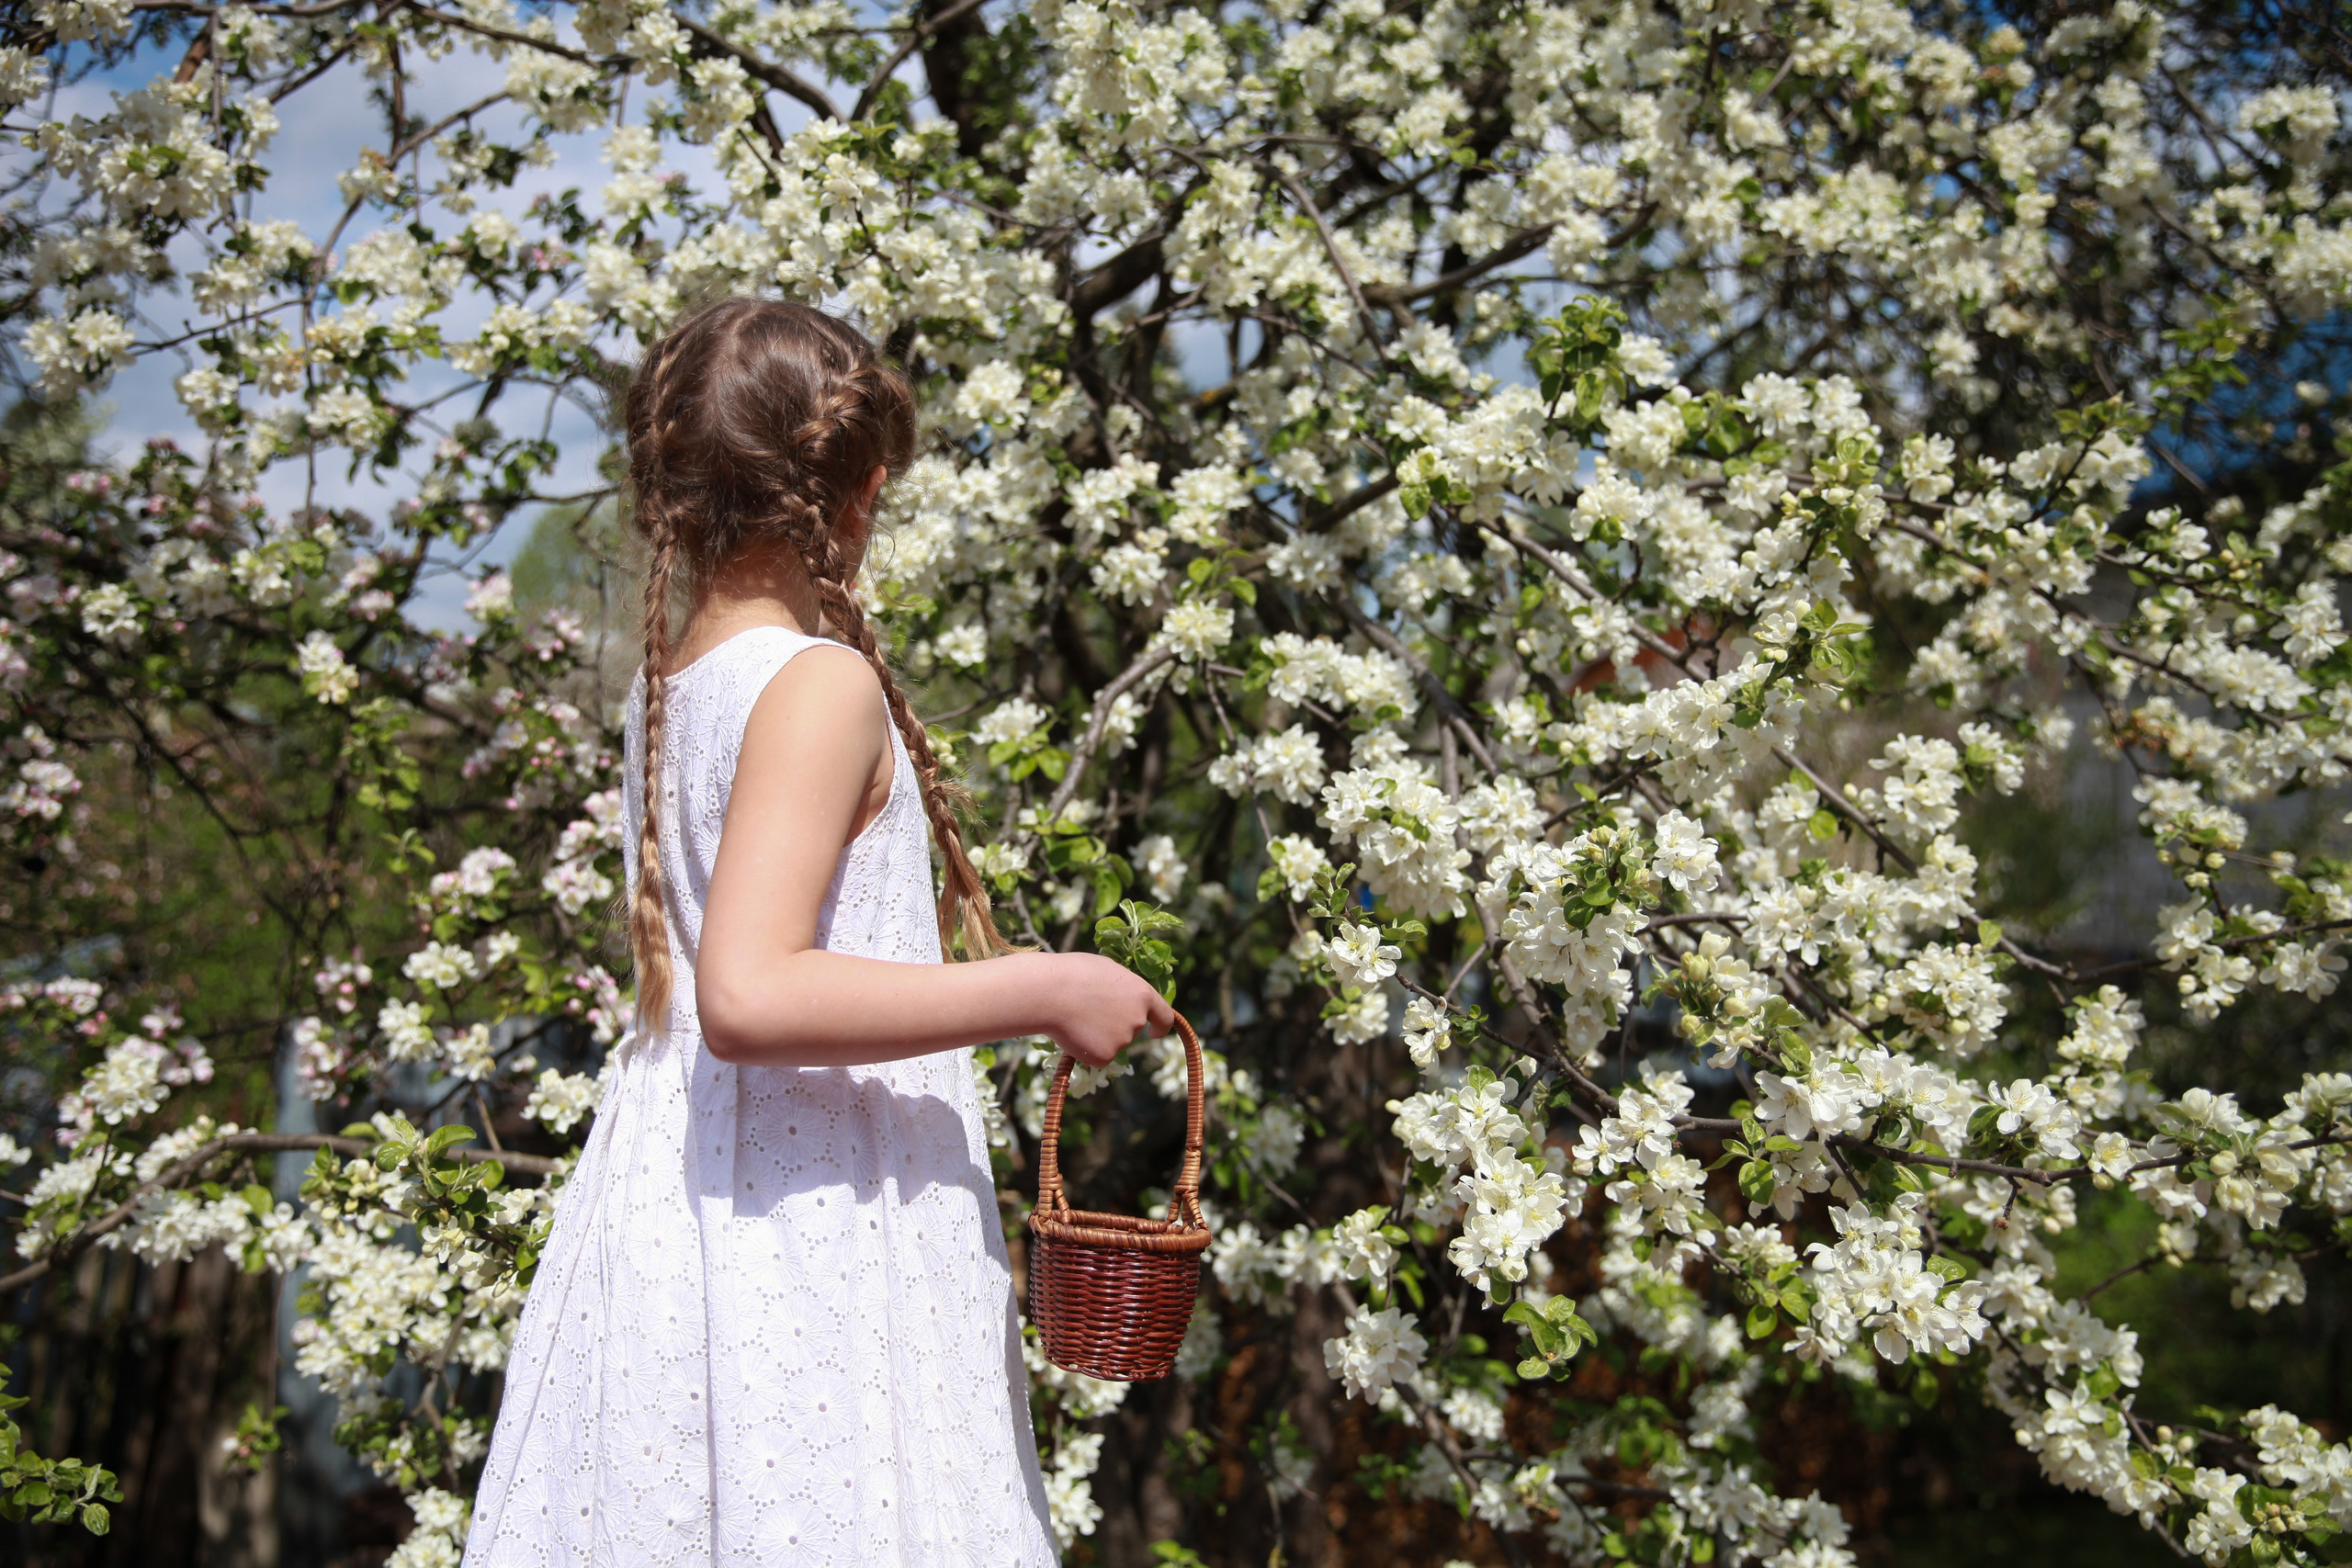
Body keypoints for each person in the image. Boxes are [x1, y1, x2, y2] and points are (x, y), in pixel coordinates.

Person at [464, 297, 1174, 1566]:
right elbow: (752, 993)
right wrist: (1047, 985)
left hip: (693, 1205)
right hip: (809, 1225)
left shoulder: (671, 692)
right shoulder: (818, 682)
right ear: (863, 493)